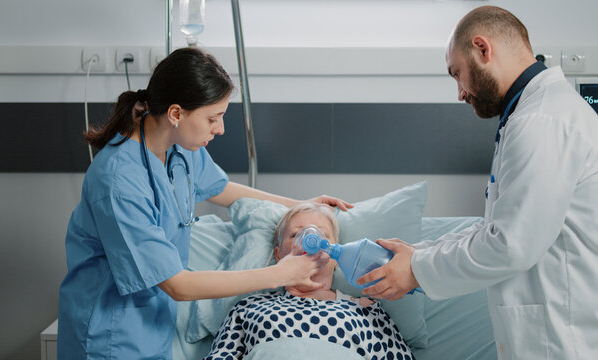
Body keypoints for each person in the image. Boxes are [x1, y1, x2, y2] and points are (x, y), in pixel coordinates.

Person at [57, 47, 352, 359]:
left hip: (153, 328)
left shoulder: (180, 146)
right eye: (213, 118)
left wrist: (299, 205)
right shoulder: (119, 180)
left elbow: (222, 189)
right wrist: (282, 273)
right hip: (108, 336)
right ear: (175, 114)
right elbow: (178, 285)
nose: (220, 128)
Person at [358, 5, 598, 359]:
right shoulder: (532, 116)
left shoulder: (542, 122)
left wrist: (416, 270)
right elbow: (496, 229)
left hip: (562, 342)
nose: (459, 92)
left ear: (483, 49)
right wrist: (418, 253)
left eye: (457, 73)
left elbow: (510, 245)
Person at [203, 203, 414, 360]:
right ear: (279, 254)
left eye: (321, 234)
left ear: (337, 256)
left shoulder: (367, 310)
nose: (308, 239)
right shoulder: (248, 308)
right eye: (295, 234)